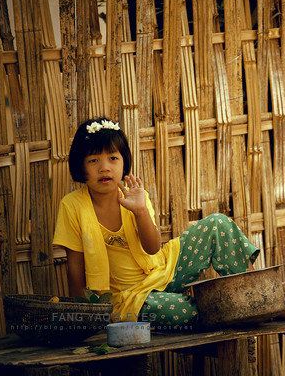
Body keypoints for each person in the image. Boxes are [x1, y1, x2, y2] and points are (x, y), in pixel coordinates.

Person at [53, 117, 260, 329]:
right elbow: (75, 268)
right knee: (187, 310)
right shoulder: (72, 206)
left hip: (164, 270)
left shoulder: (135, 196)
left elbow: (152, 248)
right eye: (93, 160)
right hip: (130, 299)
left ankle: (256, 296)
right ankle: (227, 305)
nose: (104, 168)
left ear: (124, 163)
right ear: (80, 166)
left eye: (113, 158)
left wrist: (140, 210)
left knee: (218, 224)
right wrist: (82, 317)